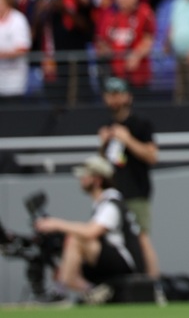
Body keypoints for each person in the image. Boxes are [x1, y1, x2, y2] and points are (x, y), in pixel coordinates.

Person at [34, 156, 144, 305]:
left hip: (124, 265)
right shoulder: (103, 203)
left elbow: (91, 232)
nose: (81, 179)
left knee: (75, 240)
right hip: (108, 260)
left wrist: (56, 224)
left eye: (85, 176)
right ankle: (93, 292)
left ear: (97, 180)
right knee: (68, 246)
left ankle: (61, 292)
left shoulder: (111, 204)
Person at [96, 77, 161, 297]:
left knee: (141, 238)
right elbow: (105, 165)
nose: (113, 99)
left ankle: (154, 287)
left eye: (118, 94)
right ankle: (124, 290)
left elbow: (152, 155)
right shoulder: (107, 128)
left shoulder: (140, 124)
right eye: (109, 94)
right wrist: (103, 145)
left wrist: (128, 139)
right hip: (114, 195)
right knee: (116, 243)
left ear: (128, 96)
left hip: (136, 192)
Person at [96, 0, 155, 95]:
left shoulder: (144, 13)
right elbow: (101, 40)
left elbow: (149, 39)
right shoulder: (109, 16)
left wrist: (136, 55)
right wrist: (106, 50)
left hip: (138, 77)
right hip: (114, 76)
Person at [0, 0, 32, 100]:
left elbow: (22, 49)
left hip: (14, 79)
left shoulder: (18, 20)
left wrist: (2, 55)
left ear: (7, 3)